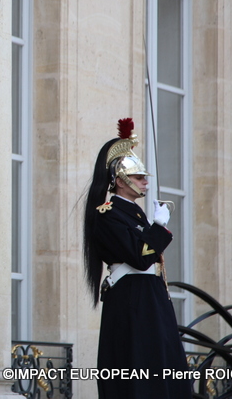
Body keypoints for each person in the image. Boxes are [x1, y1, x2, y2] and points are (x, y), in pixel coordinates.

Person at [83, 118, 191, 399]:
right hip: (133, 298)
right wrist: (159, 228)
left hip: (149, 296)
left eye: (145, 177)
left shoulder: (134, 213)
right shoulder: (108, 214)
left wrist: (154, 226)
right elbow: (140, 257)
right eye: (139, 177)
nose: (145, 181)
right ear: (120, 181)